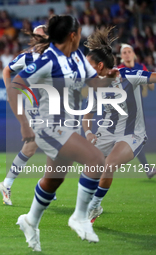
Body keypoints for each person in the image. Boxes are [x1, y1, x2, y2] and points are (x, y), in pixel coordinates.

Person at [9, 15, 118, 251]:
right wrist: (24, 124)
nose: (81, 36)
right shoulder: (47, 61)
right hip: (47, 126)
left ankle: (30, 221)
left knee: (53, 180)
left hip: (68, 126)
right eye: (79, 32)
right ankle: (79, 216)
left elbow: (94, 84)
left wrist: (110, 77)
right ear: (73, 35)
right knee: (96, 159)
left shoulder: (77, 57)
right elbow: (16, 85)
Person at [83, 27, 156, 223]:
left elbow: (154, 77)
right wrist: (89, 133)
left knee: (110, 164)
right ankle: (91, 203)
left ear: (99, 66)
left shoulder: (129, 76)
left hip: (132, 134)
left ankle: (94, 206)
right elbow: (86, 116)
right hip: (105, 134)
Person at [0, 25, 54, 206]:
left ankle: (45, 186)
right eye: (36, 36)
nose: (37, 39)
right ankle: (10, 184)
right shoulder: (27, 57)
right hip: (34, 105)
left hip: (51, 106)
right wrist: (8, 89)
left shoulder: (54, 56)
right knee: (34, 144)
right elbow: (7, 70)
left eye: (41, 36)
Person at [117, 43, 155, 178]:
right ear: (121, 56)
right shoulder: (120, 70)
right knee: (135, 137)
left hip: (137, 109)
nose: (127, 54)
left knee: (136, 138)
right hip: (124, 108)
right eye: (124, 52)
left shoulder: (140, 68)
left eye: (129, 51)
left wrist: (146, 80)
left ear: (134, 54)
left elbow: (150, 87)